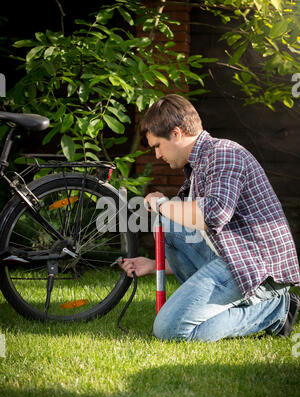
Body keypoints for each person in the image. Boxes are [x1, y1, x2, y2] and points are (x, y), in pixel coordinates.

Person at [119, 94, 300, 342]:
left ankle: (276, 310)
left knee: (169, 330)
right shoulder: (200, 163)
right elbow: (206, 237)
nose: (158, 155)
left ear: (176, 134)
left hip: (253, 266)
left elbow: (214, 214)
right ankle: (219, 307)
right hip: (233, 256)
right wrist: (154, 265)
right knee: (170, 224)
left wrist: (162, 204)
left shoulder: (224, 153)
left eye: (158, 146)